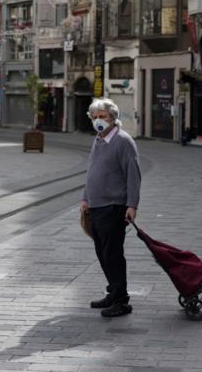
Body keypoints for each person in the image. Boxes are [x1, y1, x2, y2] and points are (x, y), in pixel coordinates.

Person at [80, 98, 141, 318]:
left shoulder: (123, 141)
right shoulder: (99, 139)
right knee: (102, 252)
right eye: (95, 117)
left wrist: (132, 204)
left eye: (102, 116)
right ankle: (113, 292)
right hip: (96, 206)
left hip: (114, 206)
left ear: (113, 118)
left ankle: (122, 301)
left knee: (113, 254)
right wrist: (86, 197)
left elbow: (133, 175)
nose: (98, 120)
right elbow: (91, 170)